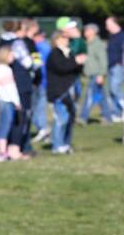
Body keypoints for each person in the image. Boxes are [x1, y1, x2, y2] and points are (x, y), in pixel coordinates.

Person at [46, 24, 86, 154]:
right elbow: (61, 68)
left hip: (69, 90)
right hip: (59, 91)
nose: (67, 40)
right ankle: (57, 145)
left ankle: (65, 143)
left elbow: (74, 70)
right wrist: (75, 61)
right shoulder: (54, 54)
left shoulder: (67, 53)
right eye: (64, 38)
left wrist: (78, 62)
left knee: (69, 119)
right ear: (57, 40)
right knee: (61, 118)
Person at [78, 23, 111, 125]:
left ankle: (83, 117)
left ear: (94, 31)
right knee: (101, 97)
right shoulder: (86, 43)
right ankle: (107, 117)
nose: (85, 32)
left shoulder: (98, 44)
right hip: (89, 75)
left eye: (88, 30)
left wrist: (101, 74)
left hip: (96, 74)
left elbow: (103, 60)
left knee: (90, 96)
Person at [0, 45, 21, 161]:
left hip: (1, 99)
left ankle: (3, 151)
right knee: (5, 125)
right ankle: (2, 152)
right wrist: (17, 102)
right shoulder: (6, 70)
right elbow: (11, 88)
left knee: (3, 124)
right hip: (8, 100)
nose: (13, 57)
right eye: (11, 54)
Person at [105, 16, 124, 121]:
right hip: (110, 66)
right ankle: (117, 113)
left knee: (116, 88)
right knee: (111, 91)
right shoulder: (111, 37)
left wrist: (121, 63)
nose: (106, 27)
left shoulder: (122, 37)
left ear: (115, 24)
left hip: (118, 66)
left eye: (108, 24)